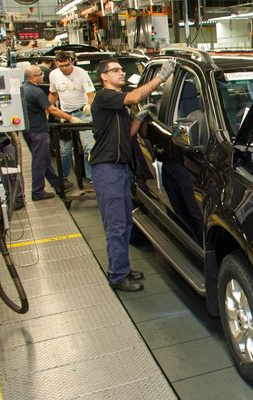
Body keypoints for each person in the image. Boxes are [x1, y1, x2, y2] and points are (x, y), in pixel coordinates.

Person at [90, 58, 175, 292]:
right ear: (104, 77)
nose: (120, 73)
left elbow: (129, 132)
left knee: (125, 223)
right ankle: (118, 276)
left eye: (121, 69)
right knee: (116, 226)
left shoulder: (118, 105)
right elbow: (134, 97)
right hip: (106, 169)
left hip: (120, 170)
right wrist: (161, 78)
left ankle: (123, 269)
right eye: (114, 70)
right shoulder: (104, 96)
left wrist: (139, 118)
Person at [22, 65, 83, 201]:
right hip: (38, 131)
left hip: (29, 130)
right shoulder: (36, 92)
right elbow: (52, 110)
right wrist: (70, 118)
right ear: (32, 77)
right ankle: (37, 192)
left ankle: (56, 183)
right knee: (39, 162)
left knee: (45, 159)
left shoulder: (24, 89)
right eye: (40, 74)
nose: (42, 75)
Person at [48, 51, 96, 182]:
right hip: (65, 115)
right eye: (61, 66)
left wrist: (89, 105)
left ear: (71, 62)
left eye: (66, 65)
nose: (64, 68)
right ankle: (63, 177)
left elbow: (91, 93)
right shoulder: (53, 75)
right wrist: (47, 108)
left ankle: (92, 176)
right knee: (64, 149)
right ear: (56, 64)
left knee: (89, 146)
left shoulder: (81, 73)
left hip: (82, 113)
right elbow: (53, 94)